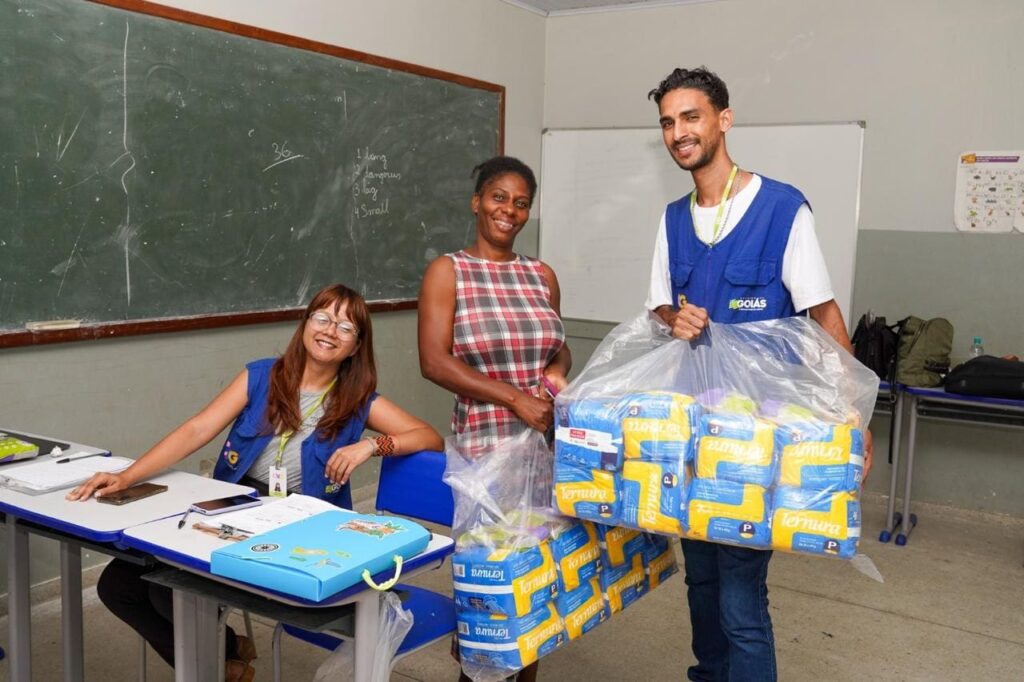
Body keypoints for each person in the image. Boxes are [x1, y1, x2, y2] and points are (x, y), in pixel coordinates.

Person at [67, 283, 443, 682]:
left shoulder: (358, 399)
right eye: (323, 317)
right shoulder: (260, 375)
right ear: (305, 324)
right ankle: (226, 655)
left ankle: (216, 666)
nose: (330, 330)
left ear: (355, 346)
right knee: (116, 586)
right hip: (237, 504)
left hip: (301, 523)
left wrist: (371, 445)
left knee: (168, 590)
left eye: (346, 327)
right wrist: (127, 476)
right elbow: (198, 429)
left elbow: (428, 436)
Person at [645, 67, 873, 682]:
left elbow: (822, 313)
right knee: (699, 581)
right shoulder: (671, 219)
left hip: (754, 439)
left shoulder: (780, 208)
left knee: (741, 596)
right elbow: (658, 308)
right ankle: (709, 675)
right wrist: (675, 318)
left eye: (690, 117)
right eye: (668, 121)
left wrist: (852, 411)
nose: (678, 132)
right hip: (692, 431)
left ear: (723, 119)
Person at [418, 156, 571, 682]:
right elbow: (434, 361)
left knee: (533, 593)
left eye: (521, 202)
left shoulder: (540, 274)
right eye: (499, 197)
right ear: (477, 201)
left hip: (544, 455)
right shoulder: (449, 271)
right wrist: (514, 398)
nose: (510, 210)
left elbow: (557, 348)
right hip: (484, 458)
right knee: (488, 600)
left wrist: (552, 380)